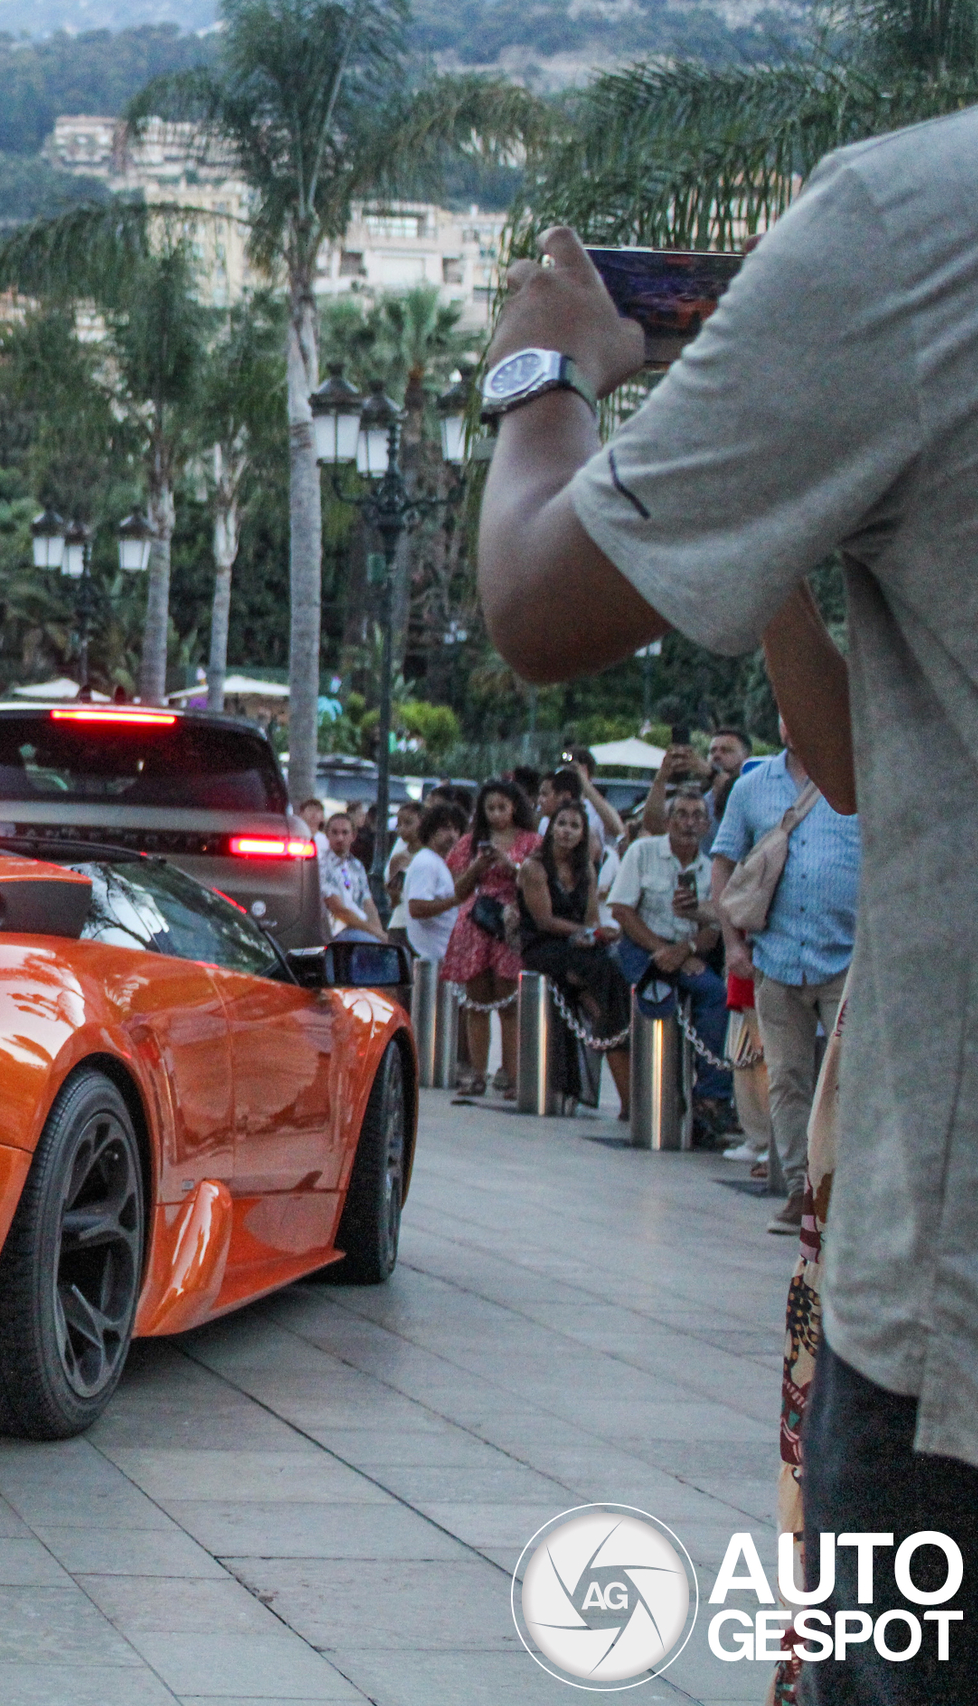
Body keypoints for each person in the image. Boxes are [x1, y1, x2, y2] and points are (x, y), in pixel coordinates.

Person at [472, 183, 978, 1695]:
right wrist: (780, 566)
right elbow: (875, 781)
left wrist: (540, 373)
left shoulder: (914, 228)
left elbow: (538, 603)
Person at [713, 720, 859, 1234]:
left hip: (847, 956)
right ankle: (800, 1191)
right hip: (774, 956)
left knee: (848, 1081)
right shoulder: (752, 786)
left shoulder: (856, 777)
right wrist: (733, 944)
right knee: (787, 1078)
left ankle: (842, 1191)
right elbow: (724, 864)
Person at [610, 790, 733, 1135]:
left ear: (708, 825)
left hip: (686, 953)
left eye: (697, 816)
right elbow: (621, 910)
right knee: (658, 1002)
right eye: (681, 814)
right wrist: (661, 951)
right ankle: (659, 1102)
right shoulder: (642, 852)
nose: (688, 823)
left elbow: (715, 926)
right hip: (642, 947)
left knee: (716, 996)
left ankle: (710, 1098)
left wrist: (685, 951)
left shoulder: (711, 869)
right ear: (667, 821)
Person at [518, 799, 635, 1110]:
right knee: (603, 974)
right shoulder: (535, 867)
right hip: (542, 944)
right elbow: (543, 920)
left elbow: (591, 917)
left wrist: (595, 934)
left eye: (574, 825)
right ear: (551, 828)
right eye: (562, 824)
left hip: (577, 944)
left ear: (584, 833)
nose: (567, 831)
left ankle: (611, 1019)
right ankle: (607, 1015)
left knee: (613, 965)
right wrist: (585, 934)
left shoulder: (585, 870)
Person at [439, 779, 539, 1098]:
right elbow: (457, 890)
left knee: (509, 1002)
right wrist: (478, 866)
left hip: (510, 922)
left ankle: (511, 1073)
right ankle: (477, 1073)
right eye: (490, 808)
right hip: (476, 923)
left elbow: (536, 882)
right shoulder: (470, 843)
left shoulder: (532, 842)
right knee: (476, 1001)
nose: (497, 814)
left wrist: (511, 866)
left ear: (515, 808)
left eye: (503, 807)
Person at [401, 802, 466, 964]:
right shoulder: (426, 862)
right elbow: (416, 907)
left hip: (444, 955)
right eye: (446, 828)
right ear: (430, 830)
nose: (452, 835)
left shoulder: (439, 863)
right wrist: (455, 900)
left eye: (456, 829)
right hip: (432, 958)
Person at [319, 811, 382, 942]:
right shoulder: (322, 864)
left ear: (353, 836)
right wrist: (375, 933)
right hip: (339, 932)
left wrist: (380, 933)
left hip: (361, 928)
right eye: (335, 833)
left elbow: (368, 903)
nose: (340, 838)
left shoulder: (356, 865)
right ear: (327, 834)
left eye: (344, 832)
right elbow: (339, 910)